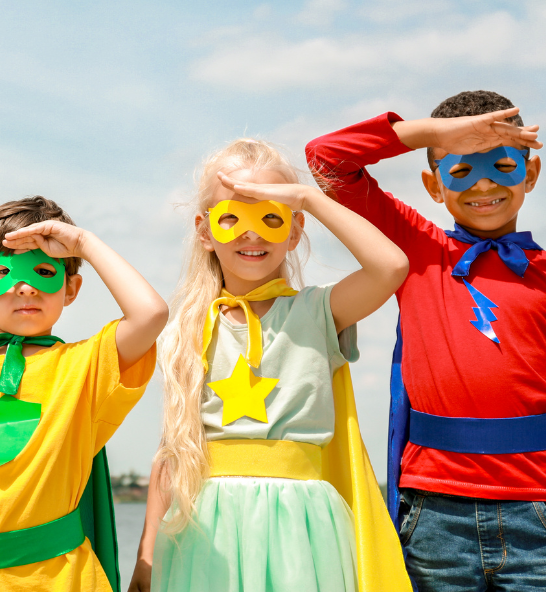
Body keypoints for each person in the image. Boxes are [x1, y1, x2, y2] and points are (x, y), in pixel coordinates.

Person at [305, 91, 546, 592]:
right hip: (433, 522)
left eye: (501, 165)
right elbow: (327, 159)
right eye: (461, 170)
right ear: (433, 185)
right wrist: (434, 134)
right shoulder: (415, 248)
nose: (483, 184)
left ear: (530, 174)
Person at [128, 139, 410, 592]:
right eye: (232, 218)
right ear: (205, 231)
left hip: (301, 525)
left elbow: (391, 266)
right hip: (204, 529)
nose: (252, 234)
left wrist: (309, 199)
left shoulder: (319, 311)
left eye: (272, 217)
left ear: (294, 231)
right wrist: (145, 552)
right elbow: (173, 447)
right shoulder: (187, 327)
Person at [0, 196, 168, 592]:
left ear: (71, 287)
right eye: (5, 272)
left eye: (43, 271)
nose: (24, 287)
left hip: (61, 580)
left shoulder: (86, 367)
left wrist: (83, 244)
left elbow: (150, 314)